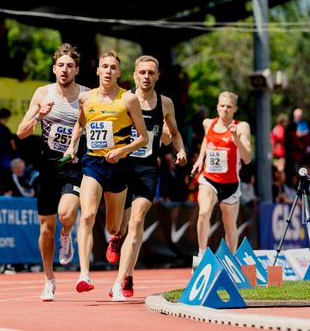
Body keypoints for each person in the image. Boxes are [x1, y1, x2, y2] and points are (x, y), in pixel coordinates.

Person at [63, 49, 148, 295]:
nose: (109, 71)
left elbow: (142, 137)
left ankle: (115, 238)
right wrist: (72, 145)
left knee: (114, 226)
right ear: (98, 71)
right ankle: (84, 274)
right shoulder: (86, 98)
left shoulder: (128, 100)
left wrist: (122, 151)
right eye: (105, 67)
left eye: (113, 67)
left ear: (119, 73)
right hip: (93, 163)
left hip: (119, 166)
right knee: (87, 216)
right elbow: (81, 123)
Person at [108, 55, 187, 301]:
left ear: (157, 76)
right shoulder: (123, 99)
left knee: (138, 220)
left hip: (147, 169)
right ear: (134, 75)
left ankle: (122, 279)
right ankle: (115, 237)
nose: (146, 76)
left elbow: (174, 132)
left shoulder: (165, 103)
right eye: (142, 72)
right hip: (122, 167)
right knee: (120, 225)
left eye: (151, 72)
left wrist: (181, 149)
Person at [16, 43, 89, 301]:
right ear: (54, 68)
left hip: (73, 166)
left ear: (76, 70)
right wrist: (39, 116)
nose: (65, 70)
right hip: (48, 167)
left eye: (70, 66)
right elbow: (21, 132)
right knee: (45, 229)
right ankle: (49, 279)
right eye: (61, 65)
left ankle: (67, 234)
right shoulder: (43, 93)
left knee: (66, 214)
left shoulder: (87, 96)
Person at [190, 91, 252, 264]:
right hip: (209, 179)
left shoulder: (241, 127)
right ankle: (202, 255)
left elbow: (247, 158)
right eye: (222, 106)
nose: (225, 109)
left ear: (235, 109)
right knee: (203, 212)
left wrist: (235, 140)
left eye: (229, 107)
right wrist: (201, 159)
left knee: (230, 227)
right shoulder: (208, 123)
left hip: (231, 184)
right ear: (217, 107)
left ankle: (231, 262)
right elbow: (207, 139)